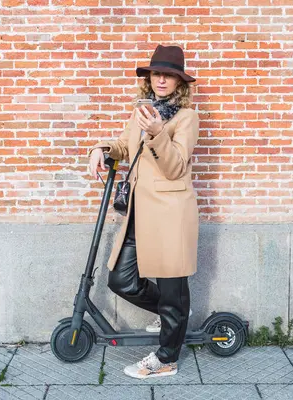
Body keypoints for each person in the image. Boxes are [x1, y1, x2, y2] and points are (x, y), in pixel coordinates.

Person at [87, 44, 200, 379]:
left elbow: (176, 167)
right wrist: (101, 148)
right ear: (149, 78)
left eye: (169, 75)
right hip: (140, 212)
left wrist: (157, 133)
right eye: (156, 73)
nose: (161, 79)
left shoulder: (186, 118)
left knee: (171, 289)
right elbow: (124, 146)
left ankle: (166, 359)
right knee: (121, 279)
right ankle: (174, 315)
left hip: (171, 214)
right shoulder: (142, 111)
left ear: (179, 83)